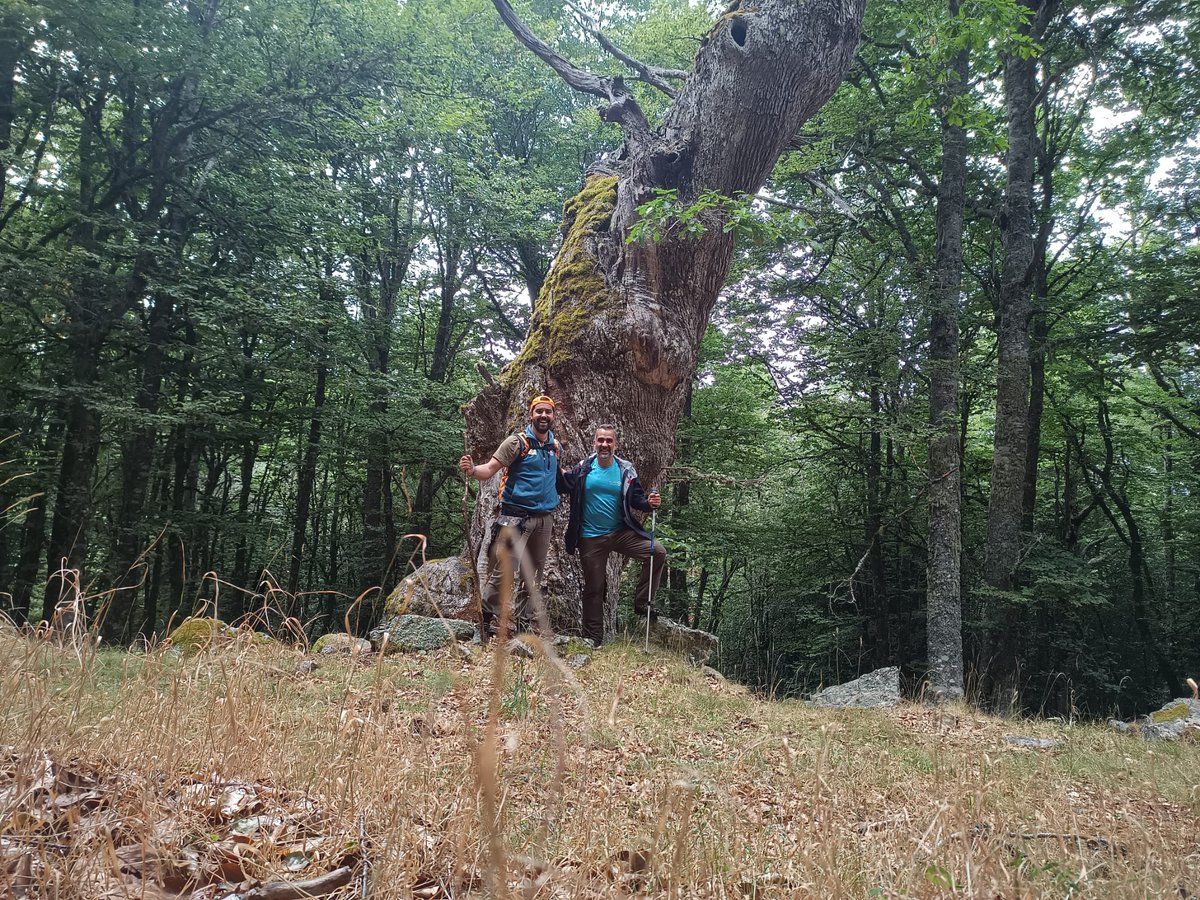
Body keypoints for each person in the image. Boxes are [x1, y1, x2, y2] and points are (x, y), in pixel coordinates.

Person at [459, 395, 562, 642]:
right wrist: (472, 470)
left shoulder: (554, 446)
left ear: (553, 416)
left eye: (548, 412)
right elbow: (490, 469)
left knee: (533, 575)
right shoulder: (516, 442)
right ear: (531, 414)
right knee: (504, 571)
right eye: (539, 411)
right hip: (516, 517)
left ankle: (523, 627)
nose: (543, 416)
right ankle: (484, 623)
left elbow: (558, 475)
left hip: (544, 519)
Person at [562, 424, 664, 647]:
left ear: (615, 445)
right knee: (594, 588)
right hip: (590, 537)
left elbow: (637, 499)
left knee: (656, 552)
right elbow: (564, 484)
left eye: (609, 441)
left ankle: (643, 603)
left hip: (620, 532)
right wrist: (552, 462)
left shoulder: (625, 469)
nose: (604, 444)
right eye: (600, 440)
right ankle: (593, 639)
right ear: (594, 443)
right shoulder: (584, 468)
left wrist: (649, 502)